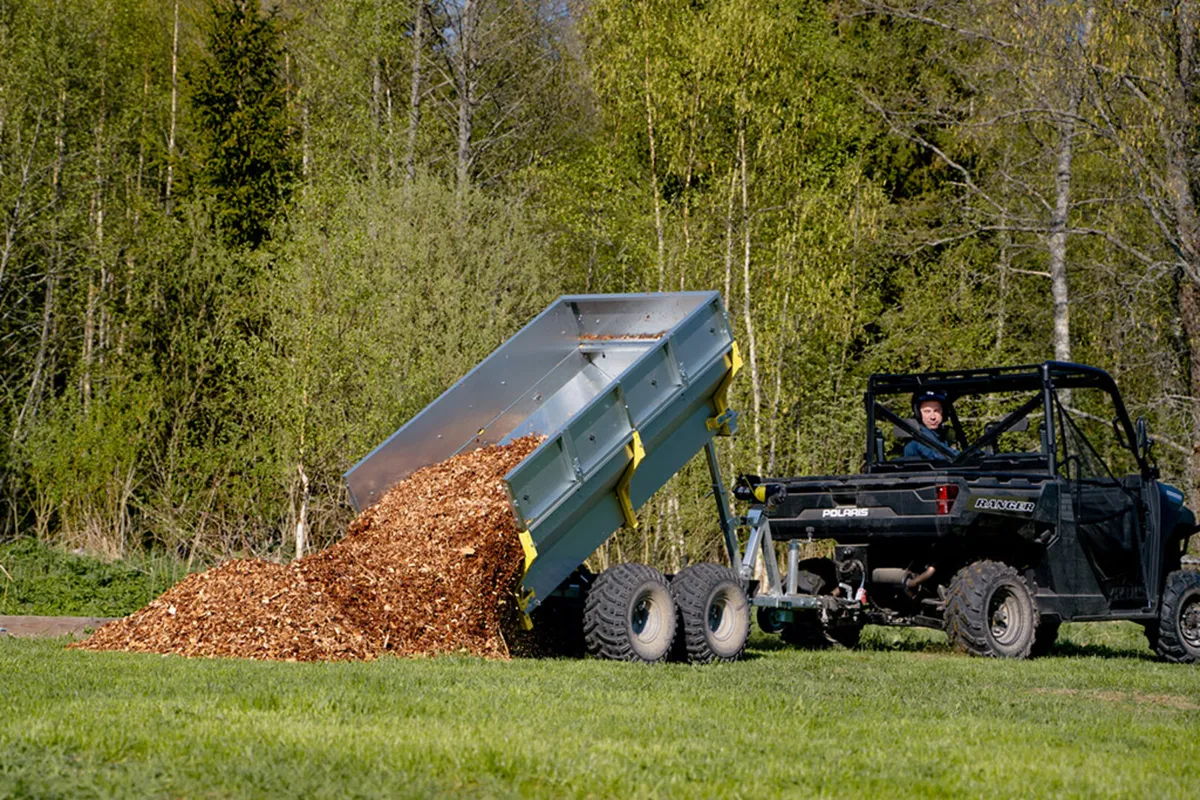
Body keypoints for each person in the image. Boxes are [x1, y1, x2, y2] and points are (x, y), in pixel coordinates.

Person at [904, 390, 959, 460]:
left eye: (936, 411)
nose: (933, 417)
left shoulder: (939, 434)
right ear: (919, 414)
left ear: (944, 412)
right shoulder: (919, 437)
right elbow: (938, 455)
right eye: (927, 411)